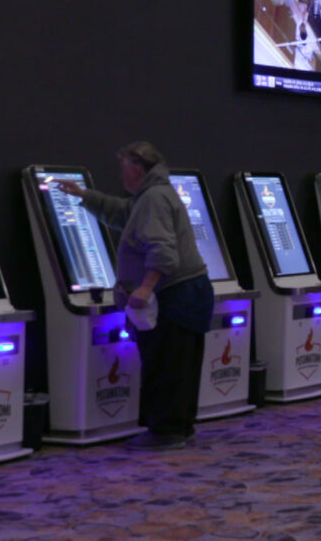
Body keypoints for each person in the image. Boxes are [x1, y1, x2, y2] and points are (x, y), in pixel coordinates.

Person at [55, 142, 214, 449]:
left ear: (137, 169)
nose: (121, 175)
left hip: (174, 295)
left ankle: (166, 433)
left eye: (124, 168)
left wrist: (144, 287)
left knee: (165, 365)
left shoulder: (153, 198)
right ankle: (180, 428)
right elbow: (123, 213)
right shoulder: (154, 194)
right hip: (191, 292)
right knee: (182, 366)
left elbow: (162, 249)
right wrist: (83, 195)